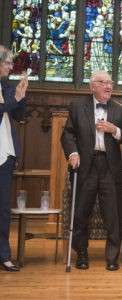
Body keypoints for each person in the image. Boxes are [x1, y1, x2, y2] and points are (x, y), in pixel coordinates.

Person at [61, 71, 122, 271]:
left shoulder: (118, 110)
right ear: (93, 86)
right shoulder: (77, 106)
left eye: (110, 82)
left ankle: (112, 256)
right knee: (81, 213)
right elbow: (67, 134)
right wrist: (72, 153)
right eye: (103, 83)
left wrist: (114, 130)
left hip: (110, 167)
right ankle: (81, 254)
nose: (108, 86)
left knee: (112, 214)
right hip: (85, 165)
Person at [0, 45, 28, 272]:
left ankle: (4, 255)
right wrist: (15, 99)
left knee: (3, 209)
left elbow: (17, 115)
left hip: (5, 155)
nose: (11, 66)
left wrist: (22, 94)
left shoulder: (7, 88)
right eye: (8, 62)